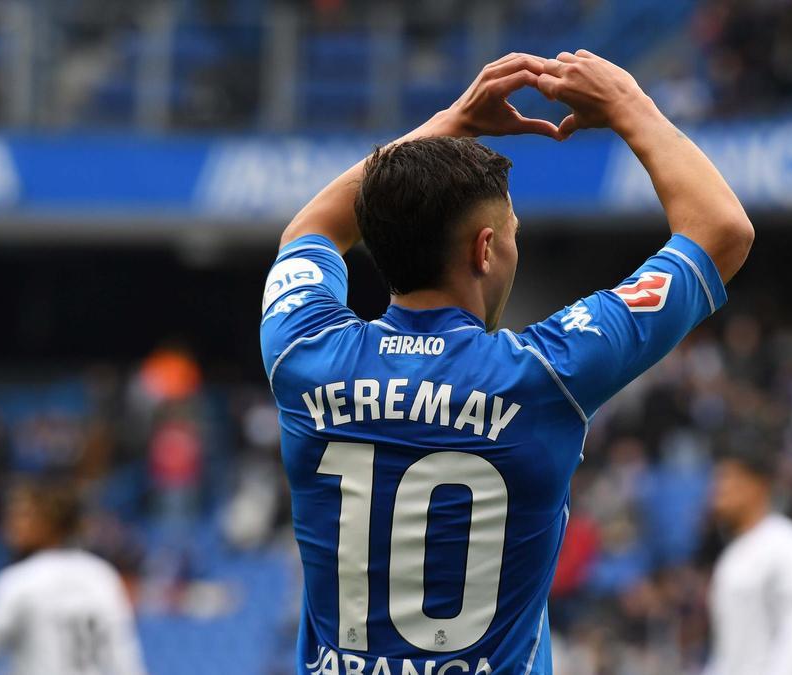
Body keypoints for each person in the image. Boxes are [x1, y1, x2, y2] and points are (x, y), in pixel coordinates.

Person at [260, 49, 753, 674]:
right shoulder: (547, 373)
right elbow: (722, 229)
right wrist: (629, 103)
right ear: (486, 249)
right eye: (513, 232)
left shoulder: (304, 351)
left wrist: (451, 120)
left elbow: (312, 229)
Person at [0, 481, 145, 675]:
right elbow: (124, 657)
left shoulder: (19, 581)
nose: (11, 526)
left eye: (22, 516)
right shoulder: (101, 575)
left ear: (50, 522)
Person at [705, 448, 792, 675]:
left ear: (757, 485)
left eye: (727, 478)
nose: (717, 490)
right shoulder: (730, 558)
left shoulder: (788, 545)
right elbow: (728, 654)